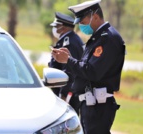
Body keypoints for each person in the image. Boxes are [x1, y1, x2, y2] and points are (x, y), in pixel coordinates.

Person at [51, 0, 126, 133]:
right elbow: (86, 66)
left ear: (95, 17)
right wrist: (70, 58)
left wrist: (68, 60)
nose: (80, 26)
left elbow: (92, 72)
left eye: (83, 22)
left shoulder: (108, 38)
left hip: (99, 106)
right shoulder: (97, 38)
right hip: (91, 105)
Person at [48, 12, 84, 114]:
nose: (54, 29)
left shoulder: (69, 43)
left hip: (69, 93)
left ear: (62, 28)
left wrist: (63, 94)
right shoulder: (71, 39)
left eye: (56, 26)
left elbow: (69, 71)